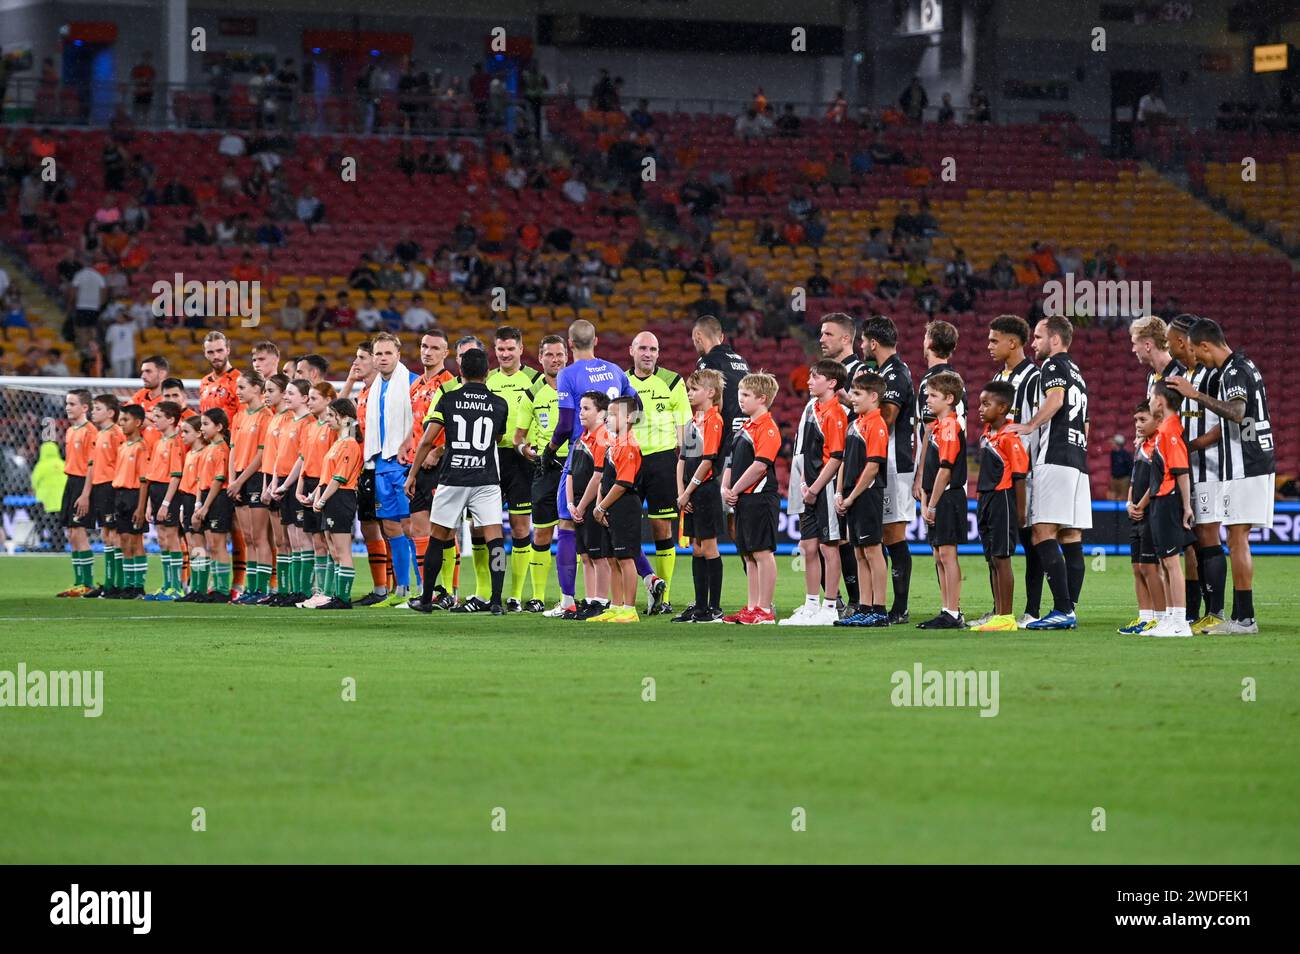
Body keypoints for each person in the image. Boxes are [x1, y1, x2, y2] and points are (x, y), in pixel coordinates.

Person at [541, 320, 662, 619]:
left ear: (570, 343)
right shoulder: (616, 370)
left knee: (568, 523)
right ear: (595, 340)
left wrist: (550, 449)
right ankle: (649, 578)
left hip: (583, 452)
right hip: (614, 451)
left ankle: (569, 600)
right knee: (614, 528)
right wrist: (621, 432)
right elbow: (638, 406)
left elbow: (567, 423)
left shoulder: (568, 374)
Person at [1165, 318, 1273, 634]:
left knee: (1237, 539)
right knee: (1236, 538)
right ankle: (1240, 617)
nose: (1199, 361)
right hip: (1247, 464)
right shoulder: (1237, 368)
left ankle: (1245, 619)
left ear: (1205, 345)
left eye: (1199, 354)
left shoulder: (1235, 371)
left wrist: (1195, 395)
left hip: (1247, 464)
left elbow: (1238, 413)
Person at [405, 348, 509, 615]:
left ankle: (427, 599)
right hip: (486, 479)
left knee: (438, 538)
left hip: (453, 477)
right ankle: (496, 601)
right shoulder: (499, 403)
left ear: (461, 371)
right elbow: (497, 438)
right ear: (487, 373)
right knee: (494, 538)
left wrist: (413, 474)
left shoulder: (448, 399)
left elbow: (428, 440)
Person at [1008, 316, 1091, 630]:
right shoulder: (1078, 373)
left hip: (1055, 457)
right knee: (1071, 535)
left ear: (1055, 340)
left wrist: (1030, 426)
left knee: (1042, 532)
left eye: (1039, 337)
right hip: (1077, 459)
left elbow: (1055, 400)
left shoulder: (1053, 366)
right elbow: (1086, 424)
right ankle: (1069, 607)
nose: (1034, 344)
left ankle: (1062, 609)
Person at [1164, 314, 1225, 632]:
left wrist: (1192, 445)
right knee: (1188, 543)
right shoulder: (1173, 373)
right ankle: (1190, 612)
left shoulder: (1213, 374)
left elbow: (1226, 422)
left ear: (1180, 340)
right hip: (1180, 471)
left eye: (1170, 339)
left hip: (1209, 467)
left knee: (1207, 537)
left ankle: (1216, 613)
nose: (1168, 345)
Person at [626, 331, 690, 615]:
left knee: (662, 528)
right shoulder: (621, 381)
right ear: (632, 351)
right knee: (623, 528)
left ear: (659, 352)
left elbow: (684, 428)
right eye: (642, 348)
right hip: (628, 459)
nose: (648, 353)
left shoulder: (673, 381)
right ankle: (648, 579)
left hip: (662, 460)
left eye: (653, 348)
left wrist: (684, 461)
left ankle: (664, 597)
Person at [987, 314, 1044, 626]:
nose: (989, 346)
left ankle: (1032, 610)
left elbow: (1037, 425)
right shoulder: (1000, 378)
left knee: (1029, 540)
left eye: (995, 340)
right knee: (997, 544)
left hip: (1025, 475)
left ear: (1013, 342)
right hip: (1000, 476)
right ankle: (1000, 609)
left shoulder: (1034, 379)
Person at [782, 359, 848, 626]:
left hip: (826, 487)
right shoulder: (812, 408)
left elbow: (836, 457)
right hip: (808, 486)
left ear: (831, 383)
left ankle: (830, 606)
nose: (809, 381)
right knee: (808, 546)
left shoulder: (836, 413)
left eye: (815, 377)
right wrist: (802, 483)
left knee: (828, 547)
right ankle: (811, 604)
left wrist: (816, 488)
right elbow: (803, 452)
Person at [861, 315, 916, 624]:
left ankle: (900, 607)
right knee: (883, 533)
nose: (861, 346)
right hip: (885, 461)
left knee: (893, 533)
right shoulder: (884, 371)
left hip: (894, 462)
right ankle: (881, 604)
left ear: (874, 343)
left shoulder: (896, 373)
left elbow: (888, 416)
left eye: (863, 341)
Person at [486, 326, 543, 612]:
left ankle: (517, 595)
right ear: (494, 351)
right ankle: (486, 593)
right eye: (500, 349)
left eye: (510, 349)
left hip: (522, 460)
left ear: (521, 349)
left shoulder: (535, 379)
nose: (505, 354)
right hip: (491, 459)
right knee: (488, 528)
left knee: (521, 528)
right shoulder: (488, 381)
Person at [358, 333, 417, 608]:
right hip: (380, 463)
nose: (382, 358)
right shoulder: (372, 389)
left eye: (387, 353)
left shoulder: (411, 382)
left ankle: (421, 588)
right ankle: (401, 589)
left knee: (410, 526)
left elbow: (422, 421)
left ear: (398, 355)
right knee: (391, 527)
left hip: (404, 463)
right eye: (378, 354)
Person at [514, 334, 569, 611]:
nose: (555, 359)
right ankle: (537, 596)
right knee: (542, 533)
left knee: (571, 532)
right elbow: (518, 438)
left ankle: (567, 596)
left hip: (575, 466)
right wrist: (525, 449)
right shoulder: (532, 393)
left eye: (560, 354)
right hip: (545, 467)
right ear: (540, 358)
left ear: (567, 357)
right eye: (550, 355)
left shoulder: (577, 387)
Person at [721, 372, 782, 624]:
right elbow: (731, 461)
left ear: (763, 398)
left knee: (762, 553)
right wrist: (725, 487)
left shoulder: (767, 428)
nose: (740, 399)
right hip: (743, 498)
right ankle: (752, 606)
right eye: (740, 394)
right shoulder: (745, 427)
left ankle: (765, 609)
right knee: (748, 553)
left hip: (759, 497)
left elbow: (760, 466)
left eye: (746, 395)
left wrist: (733, 490)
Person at [832, 372, 891, 628]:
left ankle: (879, 609)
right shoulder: (856, 422)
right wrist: (838, 492)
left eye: (857, 394)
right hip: (851, 496)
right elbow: (845, 460)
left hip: (867, 495)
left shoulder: (877, 424)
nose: (852, 398)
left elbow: (873, 467)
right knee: (859, 552)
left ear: (874, 396)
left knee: (872, 550)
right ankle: (865, 607)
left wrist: (852, 494)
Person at [970, 382, 1029, 632]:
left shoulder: (1009, 438)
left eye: (987, 404)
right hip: (986, 499)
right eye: (981, 403)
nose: (981, 408)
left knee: (1002, 558)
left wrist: (1020, 512)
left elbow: (1019, 476)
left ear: (1003, 407)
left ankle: (1006, 616)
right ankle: (998, 613)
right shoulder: (988, 434)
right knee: (993, 558)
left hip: (1003, 499)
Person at [405, 329, 457, 607]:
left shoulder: (450, 385)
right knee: (418, 527)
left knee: (444, 529)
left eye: (435, 348)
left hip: (441, 464)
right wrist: (406, 445)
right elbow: (416, 425)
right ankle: (431, 589)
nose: (428, 352)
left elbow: (458, 429)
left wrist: (438, 451)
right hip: (418, 463)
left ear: (445, 353)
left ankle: (450, 589)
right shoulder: (415, 386)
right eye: (424, 346)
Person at [673, 369, 727, 623]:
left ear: (710, 392)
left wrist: (688, 491)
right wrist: (681, 493)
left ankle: (714, 608)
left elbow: (708, 462)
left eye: (694, 389)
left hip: (704, 492)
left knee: (709, 547)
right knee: (696, 548)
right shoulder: (694, 421)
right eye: (689, 389)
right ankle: (700, 606)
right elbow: (682, 460)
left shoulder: (714, 421)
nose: (689, 393)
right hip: (690, 493)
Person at [1144, 383, 1195, 636]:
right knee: (1165, 562)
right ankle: (1169, 618)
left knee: (1172, 563)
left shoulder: (1169, 430)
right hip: (1160, 500)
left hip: (1168, 499)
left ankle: (1180, 621)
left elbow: (1181, 471)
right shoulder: (1165, 429)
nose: (1150, 401)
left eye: (1152, 397)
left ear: (1161, 402)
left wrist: (1186, 506)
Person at [917, 371, 967, 629]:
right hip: (937, 498)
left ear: (949, 398)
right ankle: (946, 609)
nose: (928, 399)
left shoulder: (949, 427)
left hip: (947, 498)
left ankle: (953, 611)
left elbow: (945, 470)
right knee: (938, 554)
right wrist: (925, 502)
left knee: (947, 554)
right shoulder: (937, 427)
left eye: (933, 395)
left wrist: (932, 504)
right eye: (927, 395)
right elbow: (929, 470)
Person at [590, 397, 645, 623]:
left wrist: (601, 505)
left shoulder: (629, 445)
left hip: (624, 506)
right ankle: (616, 605)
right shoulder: (614, 444)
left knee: (625, 558)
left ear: (630, 418)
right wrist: (599, 505)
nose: (607, 418)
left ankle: (630, 609)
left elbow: (623, 483)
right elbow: (605, 479)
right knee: (612, 558)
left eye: (614, 414)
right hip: (608, 506)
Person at [308, 399, 364, 610]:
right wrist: (317, 495)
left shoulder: (349, 444)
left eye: (332, 416)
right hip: (331, 498)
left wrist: (322, 498)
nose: (328, 420)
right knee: (333, 549)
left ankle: (343, 598)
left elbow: (339, 477)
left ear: (345, 418)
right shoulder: (338, 443)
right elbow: (327, 476)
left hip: (341, 498)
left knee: (342, 550)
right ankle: (336, 595)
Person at [264, 379, 315, 606]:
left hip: (297, 483)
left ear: (305, 397)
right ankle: (293, 590)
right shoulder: (288, 422)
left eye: (291, 393)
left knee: (303, 539)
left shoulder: (308, 422)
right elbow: (279, 456)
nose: (286, 396)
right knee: (292, 540)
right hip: (284, 481)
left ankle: (305, 590)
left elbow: (303, 458)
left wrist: (288, 485)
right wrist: (276, 481)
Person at [227, 373, 274, 604]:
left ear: (257, 388)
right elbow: (233, 449)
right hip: (238, 480)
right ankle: (250, 587)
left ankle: (261, 588)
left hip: (254, 478)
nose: (238, 391)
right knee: (248, 537)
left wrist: (239, 480)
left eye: (242, 387)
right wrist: (232, 480)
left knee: (259, 536)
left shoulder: (266, 416)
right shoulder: (238, 416)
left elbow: (261, 453)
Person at [1119, 402, 1165, 634]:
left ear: (1157, 420)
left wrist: (1141, 505)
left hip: (1152, 514)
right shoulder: (1140, 446)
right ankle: (1144, 617)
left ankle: (1160, 617)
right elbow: (1135, 480)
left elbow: (1156, 481)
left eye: (1142, 420)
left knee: (1150, 568)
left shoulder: (1158, 444)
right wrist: (1129, 502)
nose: (1137, 425)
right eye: (1135, 420)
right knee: (1137, 568)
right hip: (1136, 514)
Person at [569, 392, 614, 620]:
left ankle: (601, 600)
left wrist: (583, 505)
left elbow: (598, 477)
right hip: (577, 505)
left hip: (591, 504)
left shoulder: (602, 438)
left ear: (602, 413)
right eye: (580, 408)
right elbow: (569, 472)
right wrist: (570, 504)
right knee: (585, 556)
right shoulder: (582, 438)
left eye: (587, 409)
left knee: (599, 556)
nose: (581, 413)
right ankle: (589, 600)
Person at [294, 382, 339, 607]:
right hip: (310, 484)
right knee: (316, 541)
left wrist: (319, 490)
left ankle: (329, 592)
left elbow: (332, 462)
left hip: (325, 485)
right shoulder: (310, 427)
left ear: (328, 400)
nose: (308, 402)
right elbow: (304, 459)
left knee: (328, 541)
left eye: (313, 398)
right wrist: (299, 487)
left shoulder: (333, 429)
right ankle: (319, 591)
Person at [78, 394, 124, 599]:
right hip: (99, 487)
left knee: (115, 535)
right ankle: (109, 583)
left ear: (111, 413)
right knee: (106, 535)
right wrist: (86, 493)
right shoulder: (99, 434)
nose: (92, 412)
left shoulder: (116, 434)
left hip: (111, 487)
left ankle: (118, 583)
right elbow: (92, 465)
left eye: (97, 408)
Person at [143, 401, 186, 601]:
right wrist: (151, 503)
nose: (154, 419)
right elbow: (153, 474)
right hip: (157, 490)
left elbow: (176, 476)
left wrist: (166, 503)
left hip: (170, 492)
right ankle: (167, 584)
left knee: (171, 537)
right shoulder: (159, 441)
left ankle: (176, 586)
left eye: (158, 416)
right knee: (162, 539)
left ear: (171, 419)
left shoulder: (176, 442)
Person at [190, 409, 235, 601]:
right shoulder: (208, 449)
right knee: (210, 544)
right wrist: (199, 503)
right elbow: (202, 480)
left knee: (218, 544)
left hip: (219, 498)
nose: (202, 428)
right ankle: (215, 586)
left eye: (206, 424)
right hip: (207, 497)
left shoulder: (222, 448)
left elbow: (218, 480)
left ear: (219, 427)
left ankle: (223, 590)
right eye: (201, 424)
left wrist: (206, 506)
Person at [57, 389, 98, 597]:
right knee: (72, 533)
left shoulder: (90, 431)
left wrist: (85, 494)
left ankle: (88, 583)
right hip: (71, 481)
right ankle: (78, 581)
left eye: (72, 404)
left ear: (85, 407)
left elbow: (92, 465)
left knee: (80, 532)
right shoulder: (71, 430)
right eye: (67, 403)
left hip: (83, 483)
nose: (67, 407)